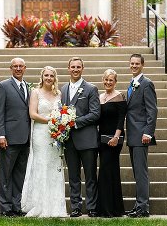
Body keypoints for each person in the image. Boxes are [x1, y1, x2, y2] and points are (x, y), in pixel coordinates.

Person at [21, 66, 67, 217]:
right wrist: (51, 120)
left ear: (55, 78)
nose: (48, 78)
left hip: (55, 136)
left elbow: (62, 112)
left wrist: (60, 123)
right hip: (41, 134)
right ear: (42, 77)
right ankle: (39, 205)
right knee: (41, 166)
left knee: (54, 168)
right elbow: (33, 114)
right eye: (46, 75)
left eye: (51, 76)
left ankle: (55, 207)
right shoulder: (35, 92)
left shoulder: (58, 93)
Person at [61, 57, 100, 218]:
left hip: (87, 140)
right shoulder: (63, 89)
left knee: (90, 175)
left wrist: (74, 122)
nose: (75, 69)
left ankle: (91, 207)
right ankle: (75, 207)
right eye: (73, 67)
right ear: (68, 68)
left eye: (78, 67)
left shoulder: (91, 89)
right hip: (69, 140)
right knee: (73, 176)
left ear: (82, 68)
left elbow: (95, 114)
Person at [0, 58, 31, 217]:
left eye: (20, 66)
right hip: (9, 138)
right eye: (15, 66)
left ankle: (17, 206)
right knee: (6, 174)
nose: (18, 68)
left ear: (25, 68)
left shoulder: (28, 87)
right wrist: (0, 135)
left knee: (19, 175)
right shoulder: (3, 86)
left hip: (25, 138)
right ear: (10, 68)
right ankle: (5, 207)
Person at [125, 54, 157, 218]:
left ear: (142, 65)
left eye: (137, 63)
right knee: (137, 172)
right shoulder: (132, 83)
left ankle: (143, 208)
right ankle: (139, 205)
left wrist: (148, 133)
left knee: (141, 172)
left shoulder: (146, 83)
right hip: (132, 135)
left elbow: (152, 110)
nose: (134, 66)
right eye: (132, 63)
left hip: (141, 135)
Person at [97, 69, 126, 217]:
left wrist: (116, 137)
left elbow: (121, 120)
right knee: (105, 170)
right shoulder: (100, 97)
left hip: (114, 139)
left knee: (109, 170)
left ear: (115, 82)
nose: (108, 82)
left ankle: (110, 209)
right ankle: (107, 208)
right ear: (103, 80)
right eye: (106, 80)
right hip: (101, 139)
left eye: (111, 80)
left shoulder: (119, 97)